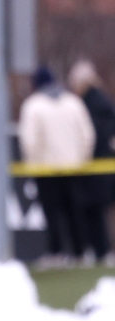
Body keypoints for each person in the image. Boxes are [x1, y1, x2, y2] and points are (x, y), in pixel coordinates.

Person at [18, 65, 95, 268]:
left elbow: (29, 141)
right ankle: (80, 251)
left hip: (46, 170)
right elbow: (87, 134)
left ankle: (57, 252)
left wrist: (33, 164)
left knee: (52, 213)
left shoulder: (33, 105)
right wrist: (81, 160)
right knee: (74, 211)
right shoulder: (73, 102)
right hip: (74, 168)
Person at [68, 59, 115, 267]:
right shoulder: (103, 101)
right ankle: (101, 250)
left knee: (93, 210)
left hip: (95, 166)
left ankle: (100, 250)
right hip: (104, 165)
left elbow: (91, 136)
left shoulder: (90, 104)